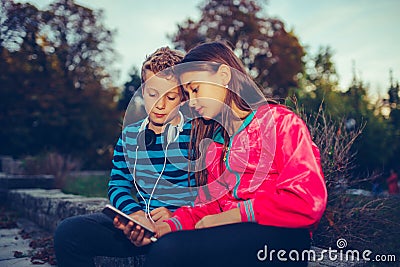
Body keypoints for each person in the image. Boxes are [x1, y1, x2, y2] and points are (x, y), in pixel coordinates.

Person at [123, 41, 328, 267]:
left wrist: (232, 216)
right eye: (187, 94)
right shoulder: (216, 145)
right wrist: (168, 226)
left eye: (195, 89)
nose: (191, 102)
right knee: (166, 243)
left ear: (223, 75)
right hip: (231, 235)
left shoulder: (280, 123)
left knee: (170, 251)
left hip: (282, 239)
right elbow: (209, 205)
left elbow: (307, 200)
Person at [54, 47, 198, 266]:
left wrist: (176, 216)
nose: (159, 105)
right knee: (68, 232)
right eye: (152, 94)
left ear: (182, 98)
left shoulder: (197, 135)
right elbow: (117, 185)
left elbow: (208, 194)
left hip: (179, 228)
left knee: (165, 252)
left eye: (170, 97)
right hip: (139, 226)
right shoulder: (129, 136)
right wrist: (135, 215)